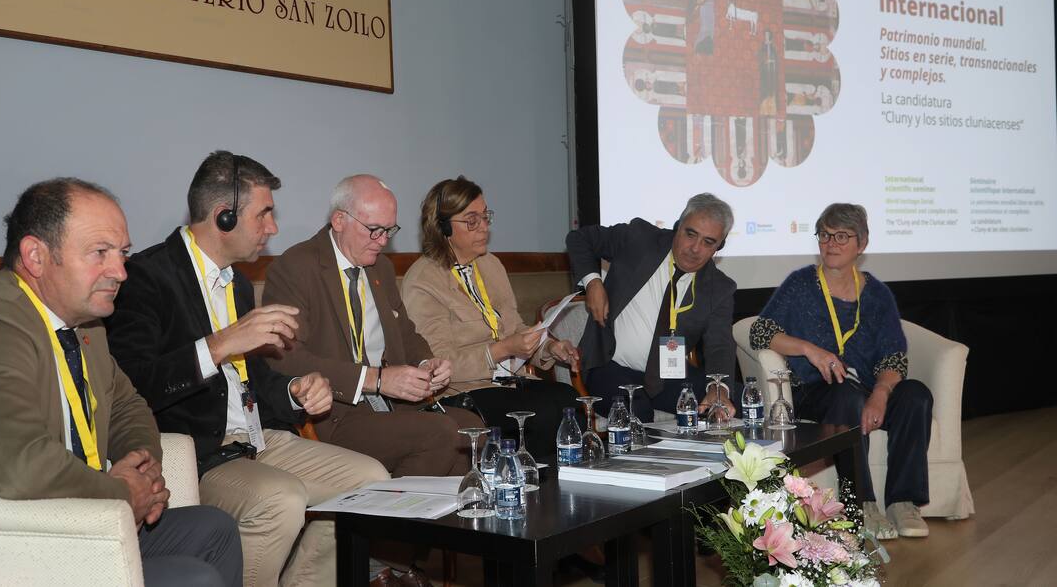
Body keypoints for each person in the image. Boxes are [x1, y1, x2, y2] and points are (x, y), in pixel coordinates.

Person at [0, 178, 242, 587]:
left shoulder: (84, 324)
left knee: (214, 530)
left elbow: (129, 406)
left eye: (122, 253)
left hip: (71, 519)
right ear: (36, 256)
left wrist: (140, 465)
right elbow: (18, 467)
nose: (121, 272)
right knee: (192, 578)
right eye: (100, 253)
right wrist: (122, 493)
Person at [104, 153, 390, 587]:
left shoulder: (236, 283)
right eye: (264, 214)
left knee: (371, 482)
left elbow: (254, 381)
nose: (272, 228)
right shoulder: (145, 277)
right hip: (199, 453)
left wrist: (295, 390)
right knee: (281, 498)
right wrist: (219, 345)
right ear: (224, 217)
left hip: (257, 439)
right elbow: (136, 386)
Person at [261, 174, 484, 478]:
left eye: (389, 230)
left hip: (391, 406)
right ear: (339, 220)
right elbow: (286, 358)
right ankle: (390, 518)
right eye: (374, 230)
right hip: (337, 413)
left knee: (474, 429)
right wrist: (375, 380)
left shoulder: (381, 266)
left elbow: (405, 331)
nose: (382, 241)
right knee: (440, 433)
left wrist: (426, 362)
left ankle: (433, 519)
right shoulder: (296, 267)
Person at [749, 203, 932, 540]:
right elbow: (761, 331)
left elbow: (894, 357)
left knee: (916, 395)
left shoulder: (876, 294)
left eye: (842, 236)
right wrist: (808, 348)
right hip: (815, 392)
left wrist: (880, 392)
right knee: (847, 397)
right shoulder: (801, 284)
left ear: (861, 244)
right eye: (825, 235)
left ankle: (904, 502)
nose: (831, 243)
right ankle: (862, 504)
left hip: (864, 391)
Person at [401, 177, 582, 457]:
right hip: (461, 391)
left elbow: (515, 328)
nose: (484, 226)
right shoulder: (422, 281)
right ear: (443, 227)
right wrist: (502, 350)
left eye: (485, 216)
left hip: (510, 382)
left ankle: (568, 487)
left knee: (569, 400)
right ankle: (534, 489)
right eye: (471, 220)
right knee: (542, 412)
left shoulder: (491, 265)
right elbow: (438, 364)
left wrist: (549, 347)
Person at [566, 193, 738, 420]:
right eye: (690, 234)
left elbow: (720, 346)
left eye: (708, 242)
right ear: (678, 227)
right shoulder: (639, 239)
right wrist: (593, 283)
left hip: (666, 376)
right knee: (638, 411)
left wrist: (718, 388)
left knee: (741, 401)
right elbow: (580, 238)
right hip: (610, 367)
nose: (695, 248)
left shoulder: (719, 288)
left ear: (719, 246)